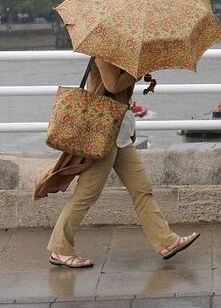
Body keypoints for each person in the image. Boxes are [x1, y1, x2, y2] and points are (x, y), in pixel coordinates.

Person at [34, 57, 200, 269]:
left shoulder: (120, 52)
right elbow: (112, 84)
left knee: (142, 187)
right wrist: (137, 71)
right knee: (87, 193)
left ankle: (166, 242)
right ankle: (60, 249)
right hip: (103, 133)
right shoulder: (104, 51)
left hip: (117, 130)